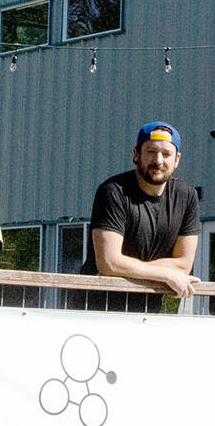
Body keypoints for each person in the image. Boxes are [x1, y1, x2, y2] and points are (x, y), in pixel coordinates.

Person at [77, 122, 201, 312]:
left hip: (147, 311)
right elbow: (108, 262)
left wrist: (124, 267)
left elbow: (183, 265)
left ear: (177, 159)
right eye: (151, 152)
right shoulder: (113, 191)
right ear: (136, 154)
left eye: (166, 154)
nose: (158, 160)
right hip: (96, 309)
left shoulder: (187, 196)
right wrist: (167, 275)